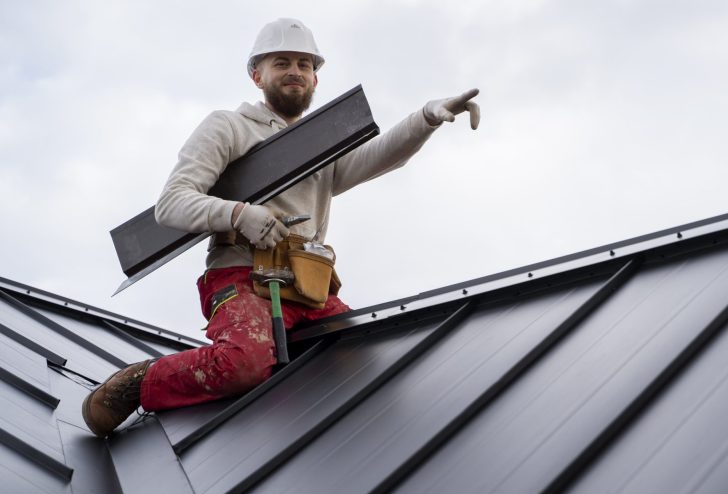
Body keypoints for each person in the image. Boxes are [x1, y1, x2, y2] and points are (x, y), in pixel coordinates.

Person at [82, 18, 480, 437]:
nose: (295, 71)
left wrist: (427, 118)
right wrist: (239, 215)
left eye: (305, 65)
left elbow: (378, 155)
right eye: (282, 62)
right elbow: (172, 203)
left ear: (315, 79)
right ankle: (139, 382)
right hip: (242, 278)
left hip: (306, 286)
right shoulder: (229, 127)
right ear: (257, 74)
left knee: (360, 354)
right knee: (243, 363)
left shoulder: (320, 142)